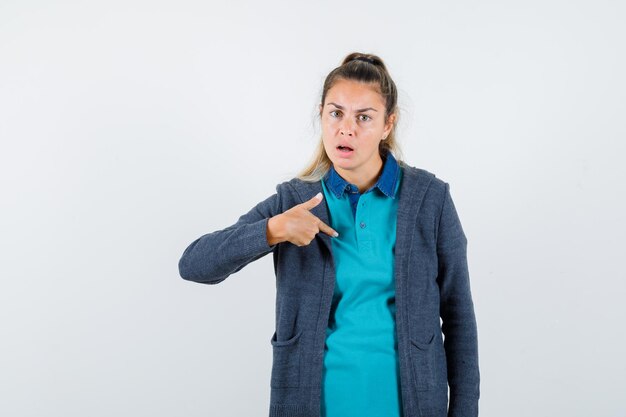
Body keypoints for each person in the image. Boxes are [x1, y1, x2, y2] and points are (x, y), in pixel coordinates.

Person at [178, 52, 480, 417]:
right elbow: (193, 264)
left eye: (364, 117)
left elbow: (459, 317)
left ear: (388, 124)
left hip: (413, 405)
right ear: (321, 114)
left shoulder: (430, 199)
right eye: (336, 113)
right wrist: (272, 230)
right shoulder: (294, 200)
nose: (346, 129)